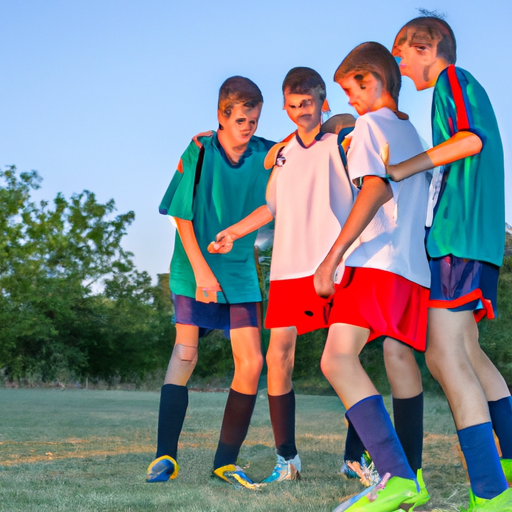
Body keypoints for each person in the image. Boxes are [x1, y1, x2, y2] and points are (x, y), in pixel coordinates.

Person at [210, 67, 357, 483]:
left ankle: (355, 458)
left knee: (346, 361)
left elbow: (351, 125)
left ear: (322, 101)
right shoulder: (283, 152)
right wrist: (234, 232)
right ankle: (287, 460)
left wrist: (340, 123)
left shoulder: (343, 139)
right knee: (278, 357)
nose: (299, 113)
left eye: (307, 104)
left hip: (336, 264)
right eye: (292, 106)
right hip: (289, 268)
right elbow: (270, 208)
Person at [390, 14, 512, 510]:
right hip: (475, 240)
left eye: (402, 51)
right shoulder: (455, 88)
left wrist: (400, 168)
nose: (398, 62)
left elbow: (469, 140)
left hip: (458, 237)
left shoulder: (453, 80)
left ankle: (489, 491)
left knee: (443, 356)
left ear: (429, 45)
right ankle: (505, 470)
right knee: (470, 353)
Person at [314, 42, 431, 511]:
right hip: (412, 268)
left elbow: (376, 189)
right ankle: (414, 474)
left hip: (376, 262)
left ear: (372, 80)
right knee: (398, 355)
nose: (349, 100)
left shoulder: (368, 124)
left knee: (336, 360)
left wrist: (333, 255)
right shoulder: (412, 132)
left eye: (350, 88)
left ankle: (396, 476)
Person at [146, 76, 274, 490]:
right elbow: (180, 214)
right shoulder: (199, 150)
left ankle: (225, 462)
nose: (249, 128)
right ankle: (165, 456)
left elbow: (307, 143)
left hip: (239, 271)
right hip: (193, 266)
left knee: (253, 363)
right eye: (241, 121)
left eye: (254, 120)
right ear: (222, 116)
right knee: (185, 355)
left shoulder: (269, 154)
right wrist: (201, 270)